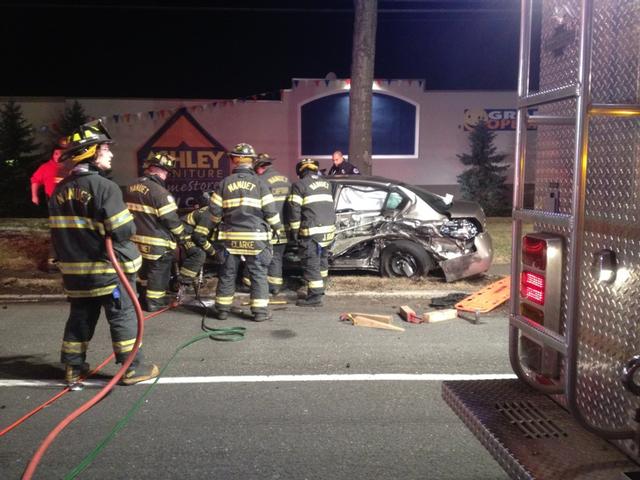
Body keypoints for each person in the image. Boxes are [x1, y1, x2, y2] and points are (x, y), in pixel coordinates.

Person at [49, 121, 159, 387]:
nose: (110, 154)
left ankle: (73, 368)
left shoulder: (59, 191)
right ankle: (131, 368)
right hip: (110, 271)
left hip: (77, 275)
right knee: (123, 316)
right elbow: (122, 231)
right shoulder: (104, 187)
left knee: (80, 317)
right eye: (105, 149)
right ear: (91, 152)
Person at [209, 143, 282, 322]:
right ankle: (260, 313)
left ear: (234, 161)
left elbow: (214, 212)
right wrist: (277, 228)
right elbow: (270, 211)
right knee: (258, 274)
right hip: (255, 237)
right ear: (251, 162)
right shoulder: (260, 183)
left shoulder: (224, 183)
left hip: (230, 237)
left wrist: (217, 225)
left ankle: (222, 311)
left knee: (227, 273)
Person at [124, 152, 186, 312]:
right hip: (157, 242)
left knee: (143, 273)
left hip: (135, 241)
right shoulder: (159, 192)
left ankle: (141, 299)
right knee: (158, 272)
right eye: (166, 171)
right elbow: (171, 220)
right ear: (157, 169)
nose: (166, 175)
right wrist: (182, 235)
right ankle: (154, 302)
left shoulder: (130, 188)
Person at [287, 158, 336, 306]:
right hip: (328, 231)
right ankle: (320, 289)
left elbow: (294, 210)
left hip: (312, 232)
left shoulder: (299, 185)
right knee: (322, 262)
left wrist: (294, 232)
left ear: (301, 172)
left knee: (311, 263)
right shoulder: (327, 184)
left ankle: (315, 297)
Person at [245, 153, 290, 295]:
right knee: (277, 257)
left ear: (259, 167)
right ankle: (275, 287)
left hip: (266, 227)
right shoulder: (286, 180)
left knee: (256, 257)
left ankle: (250, 284)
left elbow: (257, 207)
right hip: (284, 227)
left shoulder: (260, 181)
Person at [31, 139, 71, 270]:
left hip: (70, 201)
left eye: (61, 153)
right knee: (57, 229)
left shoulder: (71, 167)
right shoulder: (46, 167)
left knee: (70, 229)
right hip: (53, 202)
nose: (58, 156)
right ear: (52, 155)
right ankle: (53, 260)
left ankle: (69, 257)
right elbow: (35, 180)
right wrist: (34, 195)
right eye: (56, 153)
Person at [178, 191, 217, 286]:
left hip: (189, 234)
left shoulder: (210, 212)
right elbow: (198, 237)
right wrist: (212, 252)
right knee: (199, 253)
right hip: (183, 235)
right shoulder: (208, 214)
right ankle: (184, 279)